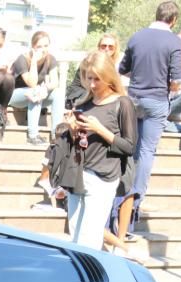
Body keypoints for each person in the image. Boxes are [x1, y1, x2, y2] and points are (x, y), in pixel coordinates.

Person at [52, 51, 137, 252]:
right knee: (75, 236)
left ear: (108, 76)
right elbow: (77, 142)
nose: (91, 84)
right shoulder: (84, 103)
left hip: (103, 177)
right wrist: (72, 129)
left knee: (89, 239)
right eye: (88, 78)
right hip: (77, 173)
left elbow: (129, 146)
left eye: (97, 79)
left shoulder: (122, 103)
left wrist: (100, 129)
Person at [118, 1, 181, 212]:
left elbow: (122, 68)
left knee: (129, 147)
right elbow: (177, 80)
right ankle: (135, 201)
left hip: (133, 98)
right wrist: (171, 88)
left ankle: (121, 194)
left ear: (157, 15)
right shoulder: (174, 41)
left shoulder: (137, 36)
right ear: (173, 20)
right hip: (156, 100)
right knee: (146, 151)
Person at [8, 31, 65, 145]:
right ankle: (33, 136)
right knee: (35, 91)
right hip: (15, 96)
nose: (43, 49)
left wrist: (45, 88)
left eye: (46, 46)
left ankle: (56, 135)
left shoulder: (50, 59)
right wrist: (34, 61)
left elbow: (55, 82)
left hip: (35, 95)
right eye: (39, 46)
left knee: (58, 93)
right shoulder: (22, 59)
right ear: (33, 46)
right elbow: (32, 83)